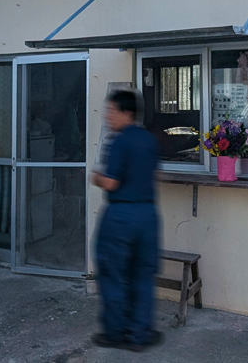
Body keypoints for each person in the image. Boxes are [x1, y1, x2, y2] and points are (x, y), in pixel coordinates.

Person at [90, 90, 162, 352]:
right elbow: (154, 174)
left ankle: (114, 333)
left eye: (111, 111)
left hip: (121, 216)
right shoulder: (149, 140)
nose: (107, 116)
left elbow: (111, 182)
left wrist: (96, 177)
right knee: (142, 275)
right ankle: (139, 335)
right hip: (148, 216)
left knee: (113, 274)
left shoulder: (119, 141)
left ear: (126, 113)